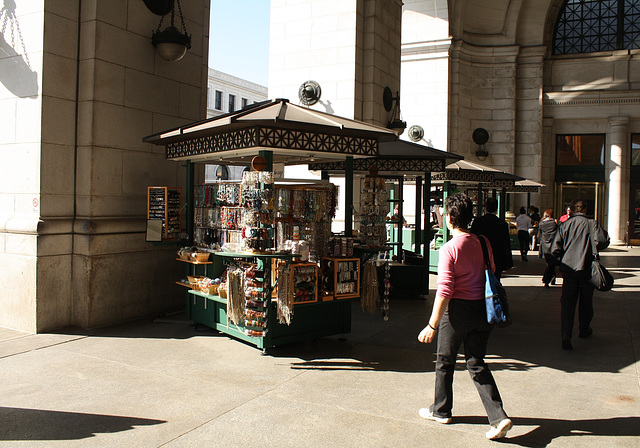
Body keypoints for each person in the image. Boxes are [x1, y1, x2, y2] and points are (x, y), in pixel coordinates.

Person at [418, 193, 513, 440]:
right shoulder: (483, 242)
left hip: (458, 311)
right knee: (476, 361)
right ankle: (498, 416)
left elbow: (445, 290)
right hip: (483, 309)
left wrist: (432, 324)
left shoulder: (449, 249)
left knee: (445, 362)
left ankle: (441, 410)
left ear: (449, 218)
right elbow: (491, 271)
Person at [551, 199, 610, 350]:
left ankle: (566, 333)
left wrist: (562, 262)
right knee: (586, 301)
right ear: (585, 210)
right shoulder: (592, 223)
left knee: (567, 302)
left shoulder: (565, 225)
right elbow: (603, 240)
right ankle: (584, 329)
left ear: (572, 209)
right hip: (586, 268)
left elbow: (554, 249)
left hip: (569, 269)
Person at [471, 197, 513, 279]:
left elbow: (472, 239)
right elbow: (506, 243)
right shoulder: (502, 224)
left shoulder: (478, 222)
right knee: (495, 281)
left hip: (480, 256)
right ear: (496, 208)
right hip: (497, 258)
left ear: (486, 207)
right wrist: (508, 262)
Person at [538, 209, 558, 288]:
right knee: (551, 264)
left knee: (549, 263)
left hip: (544, 246)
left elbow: (540, 234)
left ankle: (552, 278)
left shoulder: (542, 223)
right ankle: (547, 279)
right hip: (553, 245)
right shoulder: (555, 223)